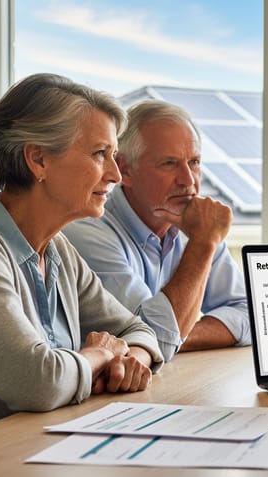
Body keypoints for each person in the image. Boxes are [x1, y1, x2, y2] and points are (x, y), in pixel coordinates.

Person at [0, 73, 164, 441]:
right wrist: (97, 357)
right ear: (38, 159)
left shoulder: (56, 247)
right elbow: (36, 381)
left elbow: (137, 330)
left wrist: (130, 360)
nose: (116, 174)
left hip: (46, 452)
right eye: (99, 154)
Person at [63, 100, 250, 362]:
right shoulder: (87, 231)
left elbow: (249, 315)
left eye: (194, 162)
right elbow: (154, 336)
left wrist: (177, 338)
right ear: (125, 171)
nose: (188, 180)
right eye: (169, 164)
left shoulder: (197, 225)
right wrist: (203, 244)